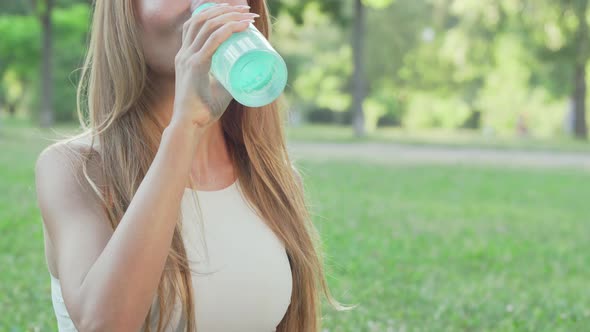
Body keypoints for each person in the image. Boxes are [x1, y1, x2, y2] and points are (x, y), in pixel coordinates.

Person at [34, 1, 350, 331]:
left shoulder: (275, 181)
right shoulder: (77, 169)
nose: (204, 5)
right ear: (123, 13)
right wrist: (186, 129)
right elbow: (103, 324)